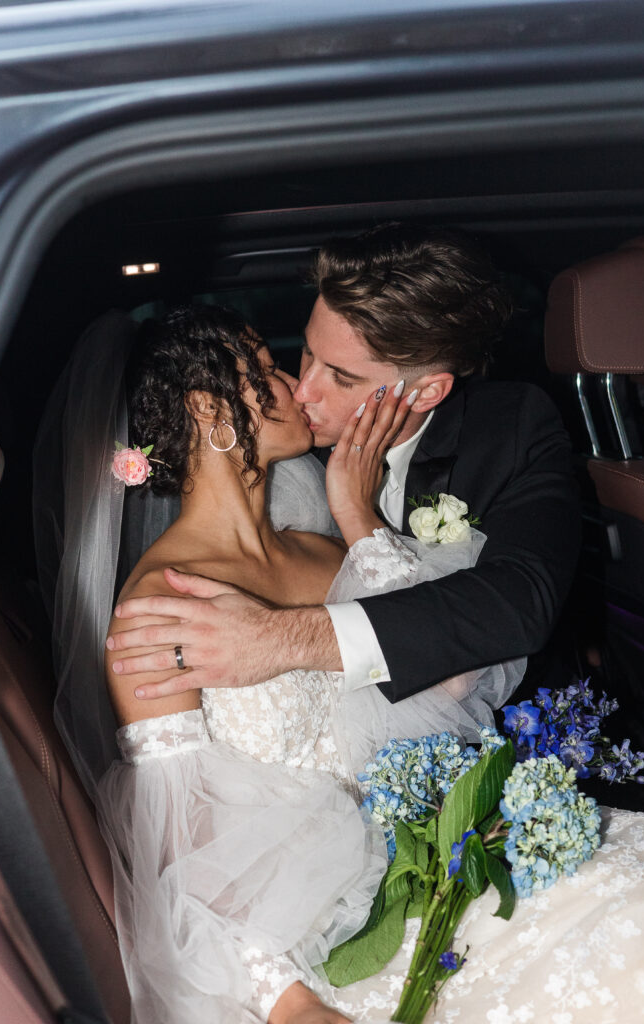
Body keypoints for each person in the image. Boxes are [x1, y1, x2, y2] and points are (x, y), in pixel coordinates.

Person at [35, 301, 644, 1024]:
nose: (294, 387)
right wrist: (289, 1004)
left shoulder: (319, 550)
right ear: (210, 409)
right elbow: (183, 863)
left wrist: (357, 516)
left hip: (433, 853)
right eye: (265, 370)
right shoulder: (157, 610)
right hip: (314, 932)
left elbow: (456, 679)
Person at [105, 225, 582, 715]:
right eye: (308, 351)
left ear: (425, 392)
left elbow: (517, 605)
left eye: (341, 376)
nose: (302, 389)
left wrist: (287, 631)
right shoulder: (279, 449)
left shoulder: (510, 430)